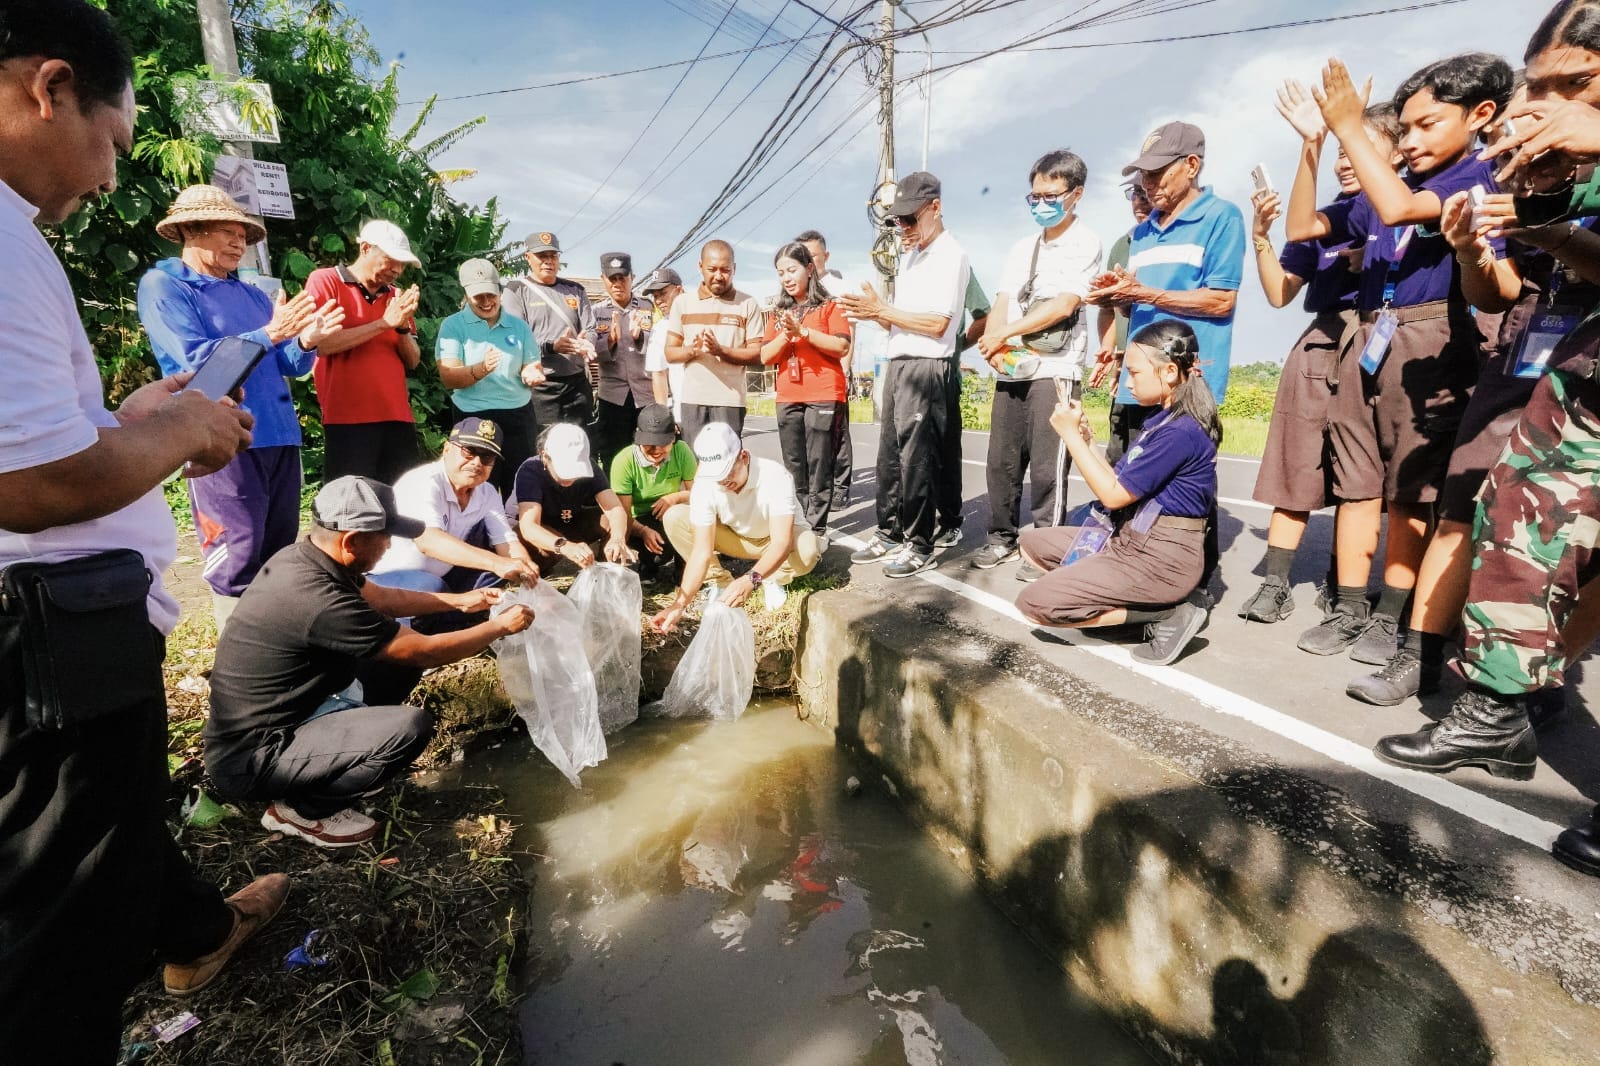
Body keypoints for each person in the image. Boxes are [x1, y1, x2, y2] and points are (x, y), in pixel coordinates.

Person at [0, 3, 280, 1054]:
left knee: (109, 818)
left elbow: (44, 438)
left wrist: (129, 421)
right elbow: (32, 481)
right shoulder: (2, 239)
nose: (112, 177)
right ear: (50, 86)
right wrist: (183, 435)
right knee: (59, 922)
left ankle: (197, 928)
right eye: (115, 144)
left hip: (60, 624)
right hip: (51, 632)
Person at [1371, 1, 1600, 857]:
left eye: (1575, 85)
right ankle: (1497, 708)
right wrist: (1535, 217)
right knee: (1521, 504)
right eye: (1537, 87)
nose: (1547, 107)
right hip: (1579, 359)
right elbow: (1548, 273)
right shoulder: (1565, 169)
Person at [1288, 54, 1513, 665]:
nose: (1411, 142)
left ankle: (1393, 611)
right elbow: (1306, 224)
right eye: (1404, 131)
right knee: (1357, 477)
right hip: (1369, 335)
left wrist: (1349, 127)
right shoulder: (1390, 189)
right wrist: (1316, 145)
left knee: (1410, 488)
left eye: (1425, 126)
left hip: (1433, 338)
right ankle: (1351, 605)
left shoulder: (1471, 179)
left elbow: (1398, 210)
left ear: (1479, 117)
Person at [204, 477, 534, 849]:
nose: (391, 544)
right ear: (351, 541)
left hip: (296, 709)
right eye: (385, 536)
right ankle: (303, 809)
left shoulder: (306, 557)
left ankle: (341, 756)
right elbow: (426, 651)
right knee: (408, 727)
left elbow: (385, 598)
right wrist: (497, 628)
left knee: (400, 661)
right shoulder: (320, 600)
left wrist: (462, 601)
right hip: (255, 756)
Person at [138, 184, 344, 628]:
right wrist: (270, 334)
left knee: (280, 549)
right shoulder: (166, 285)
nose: (239, 243)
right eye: (227, 233)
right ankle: (236, 664)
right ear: (192, 230)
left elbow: (285, 362)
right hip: (220, 438)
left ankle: (278, 648)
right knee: (237, 555)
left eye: (243, 235)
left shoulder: (252, 295)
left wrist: (307, 339)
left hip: (278, 432)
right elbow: (196, 365)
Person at [1237, 102, 1401, 624]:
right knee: (1296, 459)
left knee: (1363, 471)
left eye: (1363, 147)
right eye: (1342, 150)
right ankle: (1276, 581)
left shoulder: (1405, 205)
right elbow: (1279, 292)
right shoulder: (1326, 215)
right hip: (1321, 339)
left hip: (1380, 334)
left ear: (1398, 154)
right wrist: (1261, 237)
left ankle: (1345, 586)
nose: (1345, 161)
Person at [1014, 320, 1219, 666]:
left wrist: (1070, 437)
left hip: (1161, 558)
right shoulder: (1161, 422)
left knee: (1034, 604)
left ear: (1169, 372)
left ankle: (1167, 613)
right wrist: (1089, 441)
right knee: (1031, 544)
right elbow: (1117, 480)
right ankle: (1113, 595)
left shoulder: (1181, 431)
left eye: (1135, 373)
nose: (1128, 382)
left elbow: (1113, 496)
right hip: (1128, 540)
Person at [973, 149, 1103, 579]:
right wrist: (994, 346)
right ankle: (1002, 537)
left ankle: (1046, 545)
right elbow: (1003, 301)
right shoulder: (1022, 248)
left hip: (1056, 370)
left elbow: (1065, 304)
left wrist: (1004, 334)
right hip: (1015, 371)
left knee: (1049, 468)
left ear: (1075, 194)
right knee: (1002, 461)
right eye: (1034, 197)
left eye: (1050, 196)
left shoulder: (1086, 242)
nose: (1041, 205)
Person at [1087, 122, 1245, 464]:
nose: (1148, 183)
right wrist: (1117, 297)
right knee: (1130, 485)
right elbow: (1138, 305)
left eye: (1157, 172)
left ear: (1191, 166)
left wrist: (1145, 293)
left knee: (1181, 493)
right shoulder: (1142, 233)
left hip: (1185, 386)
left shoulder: (1222, 217)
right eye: (1144, 174)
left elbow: (1221, 299)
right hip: (1139, 383)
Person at [842, 171, 972, 578]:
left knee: (918, 460)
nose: (903, 228)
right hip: (899, 363)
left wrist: (881, 310)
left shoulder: (952, 255)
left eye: (910, 219)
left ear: (935, 208)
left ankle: (920, 542)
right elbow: (902, 323)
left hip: (926, 367)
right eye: (898, 221)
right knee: (890, 459)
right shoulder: (912, 257)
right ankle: (891, 532)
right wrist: (875, 310)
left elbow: (936, 324)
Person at [650, 423, 823, 630]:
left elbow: (782, 542)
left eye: (728, 471)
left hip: (777, 540)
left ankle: (772, 578)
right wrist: (678, 605)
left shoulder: (774, 476)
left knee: (807, 550)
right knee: (675, 517)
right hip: (739, 539)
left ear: (743, 456)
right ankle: (720, 582)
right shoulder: (706, 483)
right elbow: (701, 551)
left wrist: (751, 579)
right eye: (717, 476)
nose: (724, 481)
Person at [303, 219, 424, 484]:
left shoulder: (395, 296)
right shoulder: (326, 281)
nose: (396, 270)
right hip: (347, 418)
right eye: (390, 260)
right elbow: (320, 344)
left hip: (397, 416)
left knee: (402, 506)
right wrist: (383, 324)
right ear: (366, 248)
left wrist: (401, 327)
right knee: (350, 507)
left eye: (402, 264)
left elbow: (413, 360)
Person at [369, 417, 540, 600]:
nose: (476, 462)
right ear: (447, 449)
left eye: (486, 457)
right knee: (431, 586)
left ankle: (450, 613)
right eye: (469, 451)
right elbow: (429, 541)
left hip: (442, 574)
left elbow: (506, 541)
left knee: (498, 574)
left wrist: (525, 568)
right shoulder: (423, 481)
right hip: (389, 575)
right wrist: (497, 563)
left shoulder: (487, 491)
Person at [760, 241, 852, 540]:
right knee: (794, 464)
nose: (786, 278)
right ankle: (800, 523)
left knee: (819, 463)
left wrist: (805, 333)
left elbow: (841, 345)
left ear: (809, 269)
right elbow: (765, 357)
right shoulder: (779, 312)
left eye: (792, 270)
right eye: (780, 273)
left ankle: (817, 529)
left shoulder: (830, 306)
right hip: (788, 396)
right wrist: (788, 335)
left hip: (824, 394)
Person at [435, 258, 544, 497]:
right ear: (466, 294)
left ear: (500, 291)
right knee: (476, 485)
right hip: (473, 414)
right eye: (478, 297)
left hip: (517, 413)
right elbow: (449, 377)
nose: (486, 302)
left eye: (491, 295)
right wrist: (480, 369)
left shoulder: (519, 326)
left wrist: (531, 372)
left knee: (521, 483)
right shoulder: (452, 326)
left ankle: (521, 531)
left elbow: (531, 363)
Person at [665, 239, 765, 443]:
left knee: (728, 467)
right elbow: (670, 353)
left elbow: (757, 354)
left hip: (730, 401)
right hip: (693, 401)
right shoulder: (683, 303)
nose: (719, 276)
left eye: (725, 270)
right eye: (712, 269)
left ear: (734, 268)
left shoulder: (748, 304)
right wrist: (692, 350)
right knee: (694, 466)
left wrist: (721, 351)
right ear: (700, 266)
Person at [501, 230, 601, 434]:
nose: (548, 261)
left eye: (553, 256)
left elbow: (590, 328)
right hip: (540, 386)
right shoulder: (516, 290)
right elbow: (514, 339)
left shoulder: (575, 290)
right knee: (542, 447)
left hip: (577, 385)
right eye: (541, 256)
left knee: (582, 443)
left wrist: (587, 342)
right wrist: (550, 347)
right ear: (528, 258)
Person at [514, 422, 634, 571]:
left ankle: (605, 571)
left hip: (571, 522)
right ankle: (538, 574)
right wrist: (564, 546)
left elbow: (615, 508)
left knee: (610, 522)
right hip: (542, 530)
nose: (570, 478)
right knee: (543, 548)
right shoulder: (530, 471)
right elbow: (529, 527)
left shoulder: (592, 467)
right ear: (545, 456)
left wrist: (617, 538)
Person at [797, 229, 857, 510]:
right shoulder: (797, 289)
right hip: (806, 376)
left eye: (813, 257)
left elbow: (849, 332)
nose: (808, 262)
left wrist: (844, 370)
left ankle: (840, 487)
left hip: (833, 370)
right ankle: (814, 485)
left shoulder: (836, 287)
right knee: (810, 435)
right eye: (802, 257)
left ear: (826, 256)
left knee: (837, 433)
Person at [610, 403, 698, 579]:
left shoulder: (682, 452)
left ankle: (685, 568)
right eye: (649, 443)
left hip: (669, 515)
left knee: (693, 518)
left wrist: (675, 497)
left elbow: (699, 495)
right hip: (637, 520)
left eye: (663, 443)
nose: (657, 450)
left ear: (673, 438)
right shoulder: (624, 461)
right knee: (657, 555)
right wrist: (642, 532)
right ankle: (645, 565)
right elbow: (622, 514)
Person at [592, 252, 657, 467]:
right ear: (603, 280)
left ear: (633, 277)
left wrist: (640, 337)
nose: (618, 283)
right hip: (613, 397)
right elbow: (592, 353)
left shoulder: (648, 307)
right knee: (614, 453)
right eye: (612, 279)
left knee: (649, 451)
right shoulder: (596, 312)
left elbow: (658, 347)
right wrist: (609, 341)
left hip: (645, 394)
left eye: (623, 278)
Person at [1089, 180, 1153, 395]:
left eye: (1146, 192)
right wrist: (1109, 349)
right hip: (1126, 368)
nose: (1140, 200)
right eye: (1135, 193)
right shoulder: (1122, 245)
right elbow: (1109, 310)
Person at [640, 267, 686, 420]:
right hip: (683, 413)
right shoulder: (660, 329)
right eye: (655, 296)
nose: (658, 301)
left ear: (679, 290)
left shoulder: (702, 316)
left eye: (663, 294)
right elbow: (658, 373)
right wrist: (663, 417)